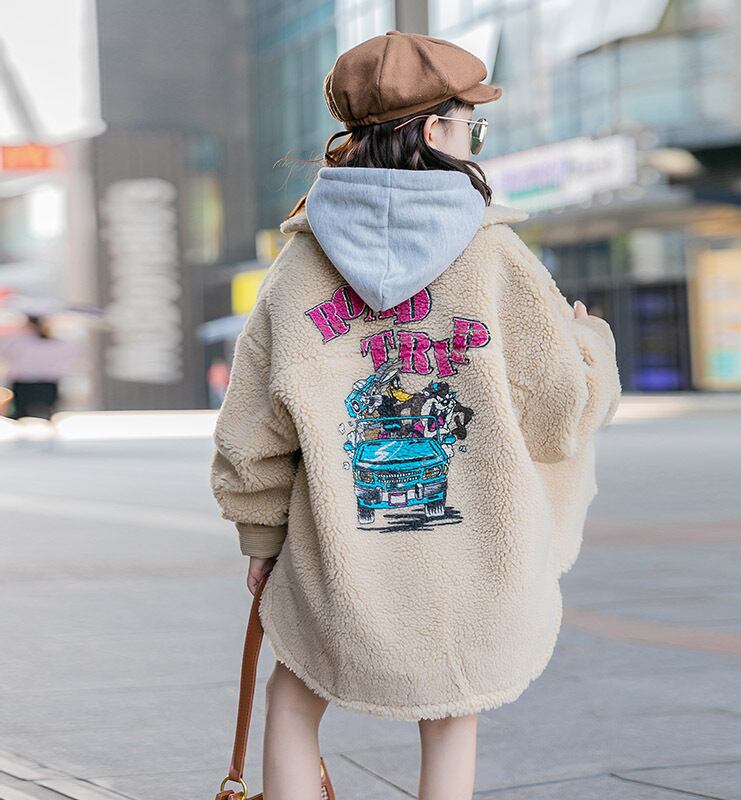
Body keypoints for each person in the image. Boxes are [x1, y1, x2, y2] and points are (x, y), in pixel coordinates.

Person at [209, 30, 622, 800]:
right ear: (436, 130)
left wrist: (260, 537)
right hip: (477, 561)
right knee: (453, 713)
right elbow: (559, 409)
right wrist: (590, 341)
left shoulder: (298, 268)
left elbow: (253, 425)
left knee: (294, 694)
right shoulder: (497, 258)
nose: (473, 139)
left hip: (340, 558)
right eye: (471, 125)